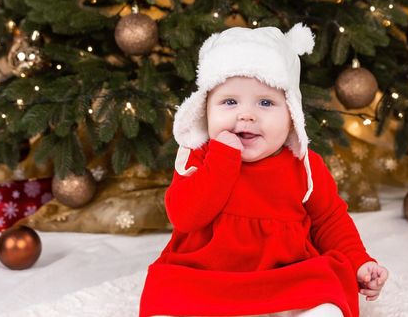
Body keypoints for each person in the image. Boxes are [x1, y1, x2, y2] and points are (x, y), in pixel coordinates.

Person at [139, 23, 388, 317]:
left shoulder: (302, 165)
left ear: (291, 116)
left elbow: (330, 221)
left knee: (327, 288)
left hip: (283, 276)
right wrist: (221, 160)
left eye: (266, 102)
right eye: (229, 102)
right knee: (166, 291)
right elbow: (184, 216)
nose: (246, 115)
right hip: (208, 277)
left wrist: (359, 261)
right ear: (206, 109)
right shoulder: (200, 157)